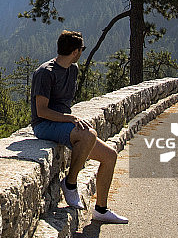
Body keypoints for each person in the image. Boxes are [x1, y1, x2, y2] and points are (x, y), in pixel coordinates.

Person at [31, 30, 128, 223]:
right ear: (76, 51)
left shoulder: (72, 70)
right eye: (82, 49)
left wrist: (69, 120)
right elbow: (41, 111)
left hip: (62, 124)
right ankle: (70, 183)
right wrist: (69, 119)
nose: (82, 53)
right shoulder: (45, 73)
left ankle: (101, 209)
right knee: (88, 134)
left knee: (110, 156)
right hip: (44, 125)